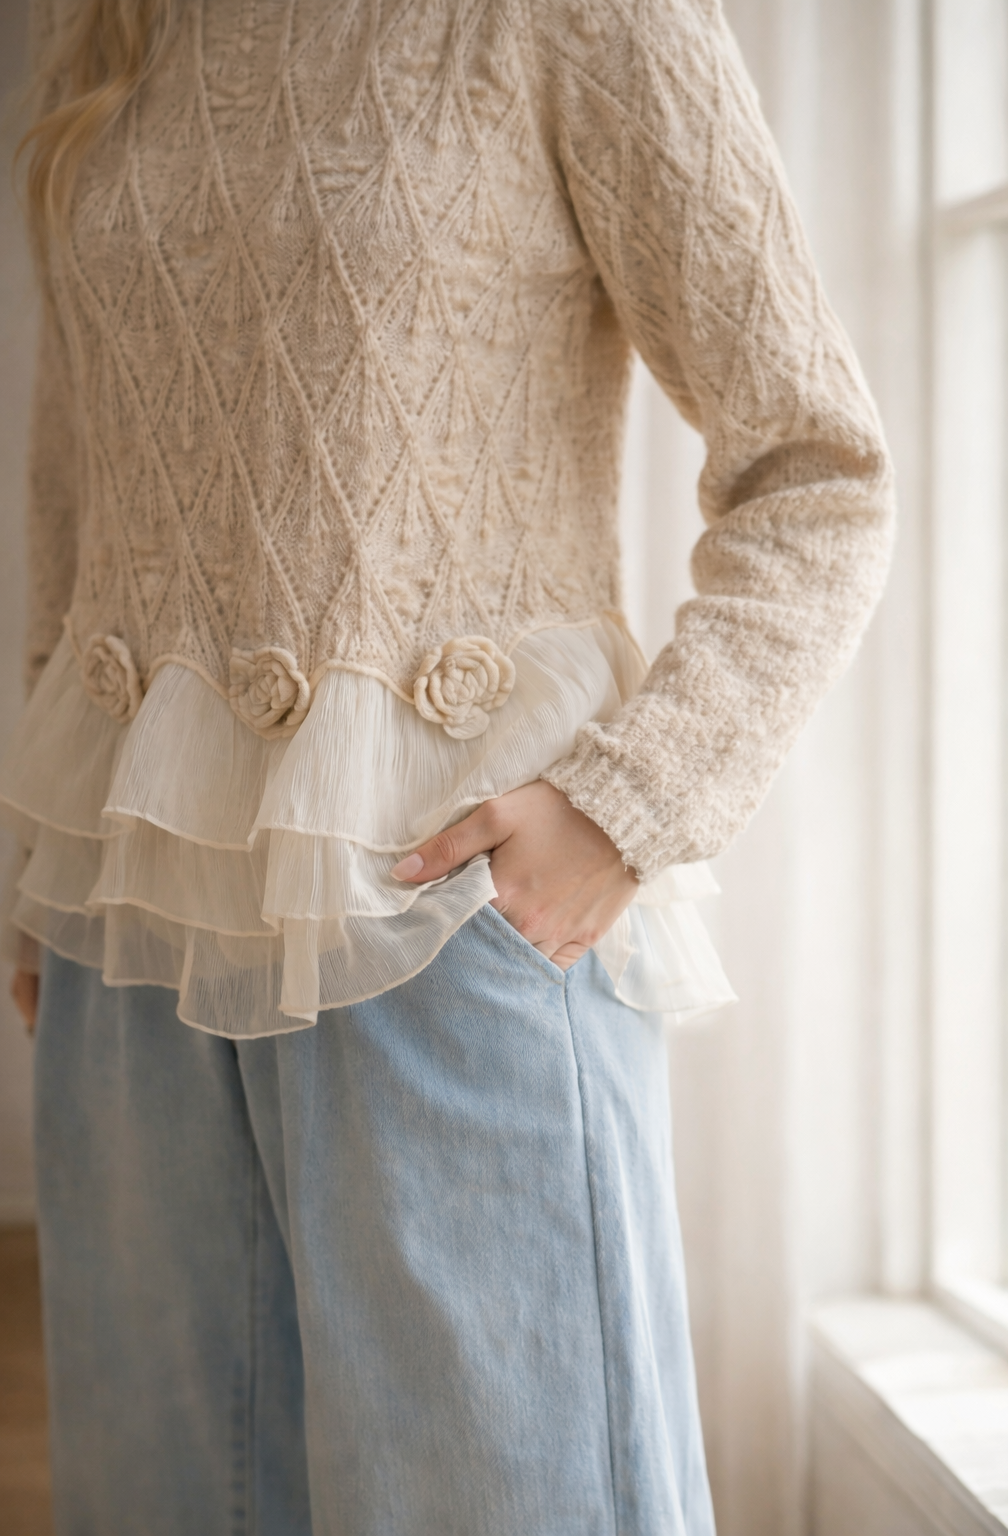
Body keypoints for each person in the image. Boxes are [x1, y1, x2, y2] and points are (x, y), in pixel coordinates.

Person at [2, 0, 894, 1531]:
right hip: (129, 924)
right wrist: (40, 849)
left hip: (445, 898)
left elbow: (820, 468)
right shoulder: (113, 37)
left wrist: (629, 803)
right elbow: (81, 501)